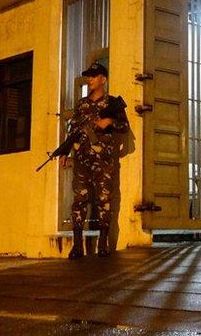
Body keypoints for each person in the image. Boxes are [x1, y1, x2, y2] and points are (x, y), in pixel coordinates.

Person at [65, 62, 129, 259]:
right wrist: (64, 152)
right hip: (82, 160)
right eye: (88, 76)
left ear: (103, 79)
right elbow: (73, 130)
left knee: (104, 201)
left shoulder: (111, 104)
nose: (90, 79)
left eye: (94, 76)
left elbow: (124, 127)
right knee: (79, 201)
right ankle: (77, 246)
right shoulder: (82, 104)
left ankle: (103, 244)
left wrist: (109, 121)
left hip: (103, 161)